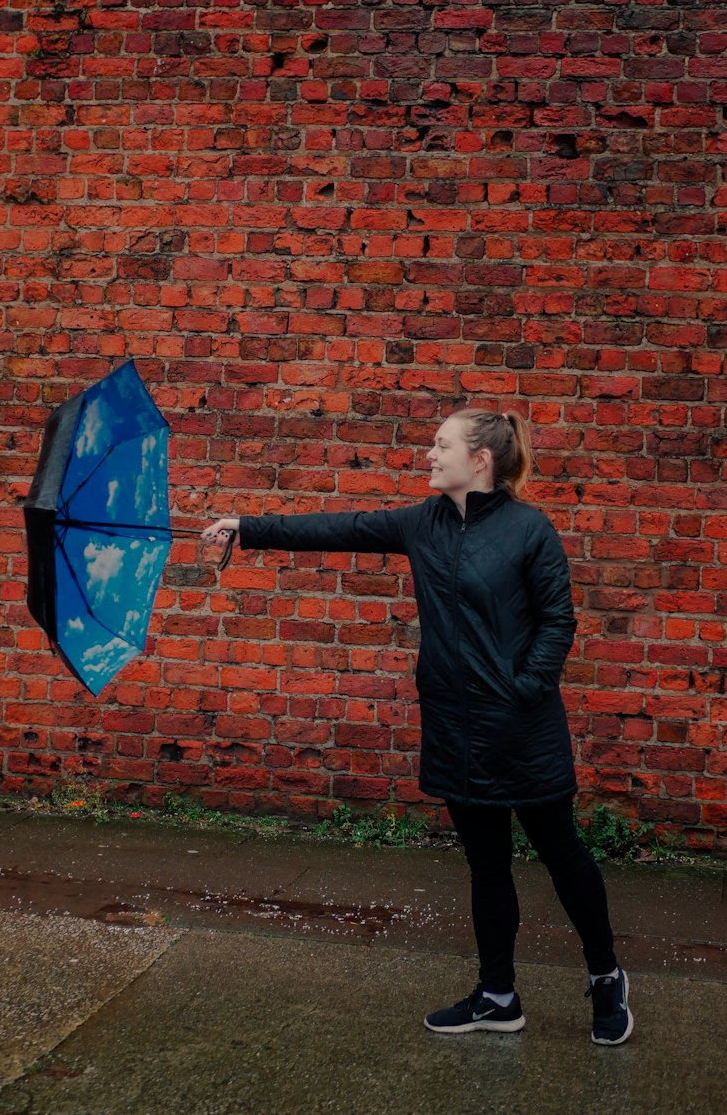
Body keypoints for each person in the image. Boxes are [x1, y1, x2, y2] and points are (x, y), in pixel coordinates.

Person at [201, 406, 633, 1045]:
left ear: (479, 460)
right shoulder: (421, 524)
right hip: (456, 726)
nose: (428, 455)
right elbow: (339, 528)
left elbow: (558, 622)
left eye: (440, 445)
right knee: (486, 866)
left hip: (521, 728)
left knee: (561, 854)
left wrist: (524, 690)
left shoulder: (529, 530)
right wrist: (245, 525)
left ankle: (605, 978)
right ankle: (497, 996)